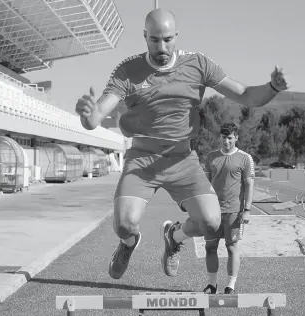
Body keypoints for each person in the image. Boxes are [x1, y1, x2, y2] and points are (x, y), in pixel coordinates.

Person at [75, 8, 289, 280]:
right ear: (144, 37)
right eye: (154, 40)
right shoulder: (128, 70)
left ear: (176, 35)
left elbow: (247, 95)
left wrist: (273, 87)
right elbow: (95, 117)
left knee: (212, 224)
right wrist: (88, 116)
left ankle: (174, 236)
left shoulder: (198, 65)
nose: (161, 47)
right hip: (142, 159)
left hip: (181, 159)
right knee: (124, 225)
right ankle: (128, 244)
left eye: (167, 39)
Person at [203, 123, 255, 294]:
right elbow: (205, 185)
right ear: (220, 137)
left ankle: (230, 285)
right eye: (224, 137)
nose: (226, 141)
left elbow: (249, 184)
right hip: (212, 211)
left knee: (231, 247)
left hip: (234, 212)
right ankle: (212, 285)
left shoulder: (245, 158)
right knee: (210, 247)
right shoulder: (211, 157)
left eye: (230, 138)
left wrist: (246, 209)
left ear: (236, 137)